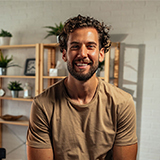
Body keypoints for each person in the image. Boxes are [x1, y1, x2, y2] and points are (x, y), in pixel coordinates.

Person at [26, 14, 138, 160]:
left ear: (101, 54)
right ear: (65, 54)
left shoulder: (122, 103)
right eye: (75, 46)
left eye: (90, 46)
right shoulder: (43, 105)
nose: (82, 54)